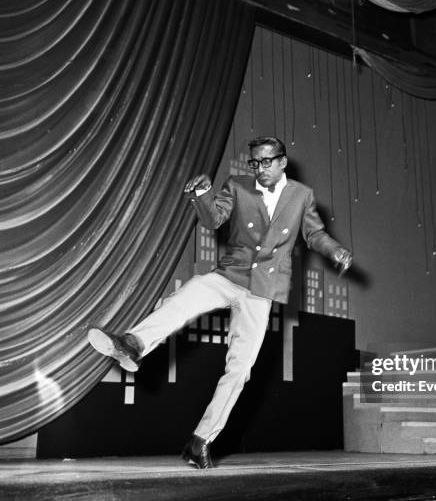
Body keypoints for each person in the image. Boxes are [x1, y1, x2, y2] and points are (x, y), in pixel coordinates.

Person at [88, 136, 352, 469]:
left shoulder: (302, 196)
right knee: (188, 295)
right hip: (230, 275)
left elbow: (313, 234)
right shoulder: (239, 186)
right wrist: (201, 195)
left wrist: (335, 251)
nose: (260, 169)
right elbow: (214, 219)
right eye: (254, 163)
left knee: (240, 369)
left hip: (262, 291)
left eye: (267, 162)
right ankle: (132, 343)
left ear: (283, 162)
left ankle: (200, 441)